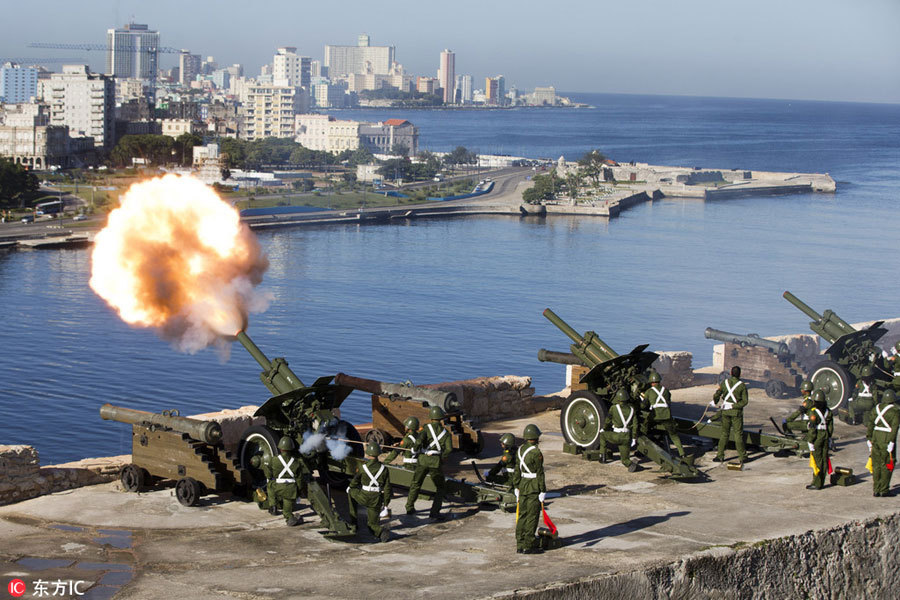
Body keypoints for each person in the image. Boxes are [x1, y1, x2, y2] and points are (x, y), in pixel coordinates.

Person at [405, 406, 452, 521]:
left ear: (431, 417)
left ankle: (410, 507)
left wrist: (414, 450)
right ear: (441, 418)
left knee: (416, 483)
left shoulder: (425, 429)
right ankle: (434, 512)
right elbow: (449, 449)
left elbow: (419, 442)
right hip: (435, 462)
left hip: (423, 460)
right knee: (440, 487)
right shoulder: (446, 433)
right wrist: (442, 458)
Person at [347, 441, 392, 542]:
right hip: (376, 499)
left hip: (363, 496)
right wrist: (386, 504)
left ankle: (354, 523)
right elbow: (388, 488)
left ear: (368, 453)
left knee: (351, 492)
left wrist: (350, 487)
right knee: (372, 524)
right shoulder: (384, 469)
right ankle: (380, 531)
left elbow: (355, 481)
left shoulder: (363, 468)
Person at [513, 423, 546, 554]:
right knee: (532, 516)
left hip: (522, 484)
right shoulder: (536, 452)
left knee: (522, 515)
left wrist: (516, 485)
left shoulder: (520, 450)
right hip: (533, 486)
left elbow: (517, 469)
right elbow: (540, 473)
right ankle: (529, 545)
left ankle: (520, 544)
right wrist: (543, 490)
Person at [641, 370, 686, 457]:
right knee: (674, 435)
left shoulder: (649, 391)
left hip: (655, 416)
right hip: (666, 415)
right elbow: (668, 403)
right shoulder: (666, 391)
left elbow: (644, 406)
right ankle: (682, 453)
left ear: (651, 382)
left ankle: (642, 450)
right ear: (659, 381)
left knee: (644, 429)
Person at [710, 365, 749, 464]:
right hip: (736, 413)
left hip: (725, 412)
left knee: (724, 434)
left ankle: (720, 456)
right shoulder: (742, 385)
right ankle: (742, 457)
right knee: (738, 435)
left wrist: (715, 401)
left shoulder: (724, 383)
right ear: (740, 374)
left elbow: (716, 394)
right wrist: (735, 406)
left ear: (731, 373)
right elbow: (745, 402)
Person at [866, 388, 899, 497]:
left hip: (876, 437)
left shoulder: (876, 409)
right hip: (886, 438)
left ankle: (876, 489)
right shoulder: (895, 411)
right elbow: (894, 428)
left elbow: (870, 424)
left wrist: (869, 438)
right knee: (888, 464)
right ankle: (884, 490)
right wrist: (892, 442)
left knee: (876, 464)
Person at [266, 436, 304, 526]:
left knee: (270, 485)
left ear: (280, 448)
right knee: (288, 500)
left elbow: (268, 473)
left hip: (277, 487)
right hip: (290, 488)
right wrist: (298, 491)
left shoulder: (274, 460)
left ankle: (273, 505)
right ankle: (288, 516)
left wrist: (270, 477)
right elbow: (299, 479)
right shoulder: (296, 462)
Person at [599, 388, 638, 471]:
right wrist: (634, 438)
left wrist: (604, 429)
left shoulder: (614, 408)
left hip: (616, 436)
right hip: (627, 438)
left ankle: (602, 457)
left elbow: (608, 421)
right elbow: (635, 425)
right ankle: (630, 464)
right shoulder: (632, 409)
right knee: (624, 460)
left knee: (603, 435)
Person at [806, 390, 834, 490]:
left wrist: (810, 441)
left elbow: (812, 428)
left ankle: (816, 483)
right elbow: (830, 427)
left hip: (818, 436)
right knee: (824, 459)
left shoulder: (814, 413)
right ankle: (821, 481)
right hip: (826, 435)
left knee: (817, 460)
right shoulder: (828, 411)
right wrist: (829, 437)